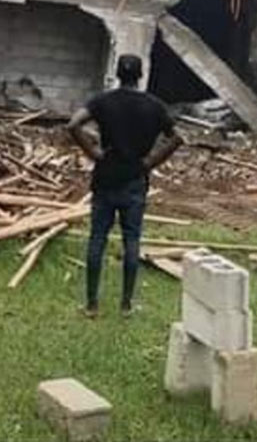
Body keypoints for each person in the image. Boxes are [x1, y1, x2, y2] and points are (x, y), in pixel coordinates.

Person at [68, 54, 183, 319]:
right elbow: (177, 138)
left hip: (106, 177)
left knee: (97, 239)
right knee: (132, 241)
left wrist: (94, 153)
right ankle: (126, 305)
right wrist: (150, 162)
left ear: (118, 73)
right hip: (134, 180)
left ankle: (92, 305)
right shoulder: (154, 106)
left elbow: (73, 124)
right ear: (140, 75)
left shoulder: (103, 101)